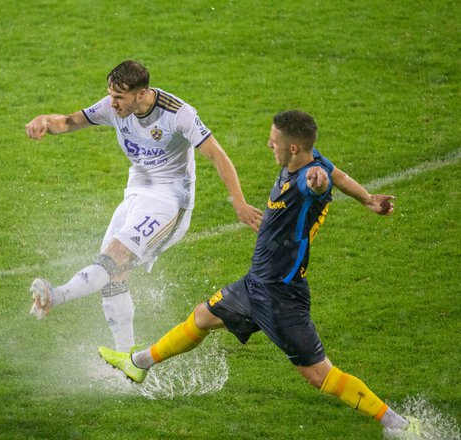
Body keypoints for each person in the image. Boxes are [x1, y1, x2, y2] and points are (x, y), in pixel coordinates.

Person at [99, 110, 420, 437]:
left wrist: (317, 183)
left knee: (319, 375)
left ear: (293, 148)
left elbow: (323, 181)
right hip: (256, 284)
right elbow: (337, 174)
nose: (269, 144)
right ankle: (138, 363)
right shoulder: (310, 160)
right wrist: (368, 199)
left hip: (281, 297)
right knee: (201, 317)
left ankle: (401, 425)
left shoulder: (308, 180)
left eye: (274, 141)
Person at [25, 60, 263, 352]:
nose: (112, 104)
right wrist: (45, 121)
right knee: (112, 275)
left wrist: (238, 202)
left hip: (170, 202)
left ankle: (56, 294)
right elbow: (68, 122)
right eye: (110, 96)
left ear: (141, 93)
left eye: (119, 98)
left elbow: (216, 155)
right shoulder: (113, 106)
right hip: (136, 195)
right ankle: (126, 361)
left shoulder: (178, 114)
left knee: (113, 257)